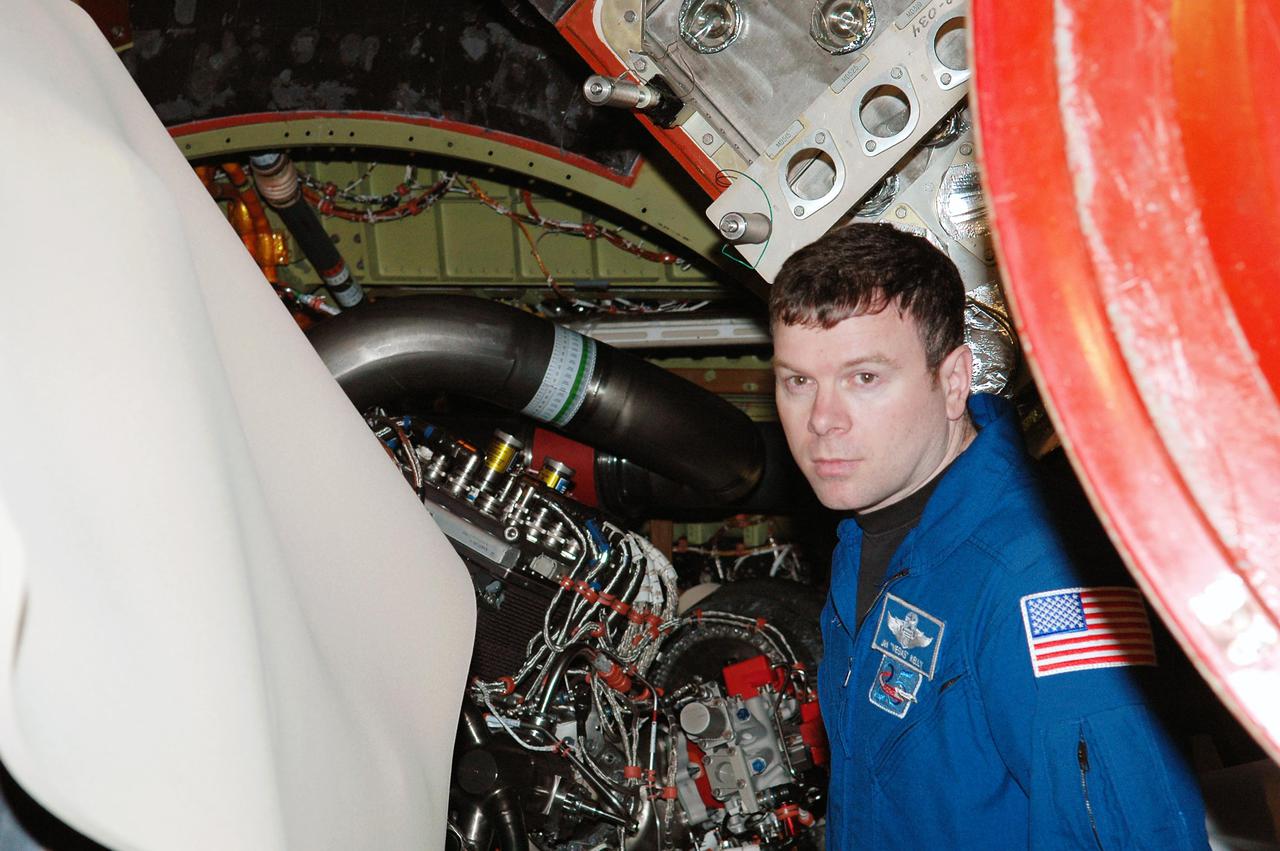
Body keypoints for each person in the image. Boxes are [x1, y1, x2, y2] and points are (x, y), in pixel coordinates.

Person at [769, 223, 1209, 849]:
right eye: (798, 381)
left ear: (953, 382)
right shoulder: (865, 540)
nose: (822, 420)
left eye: (864, 378)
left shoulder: (1039, 577)